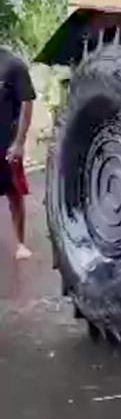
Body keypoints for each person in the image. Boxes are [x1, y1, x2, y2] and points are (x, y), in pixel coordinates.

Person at [0, 47, 35, 260]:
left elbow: (27, 101)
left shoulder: (13, 65)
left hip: (6, 143)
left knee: (14, 192)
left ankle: (21, 244)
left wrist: (19, 142)